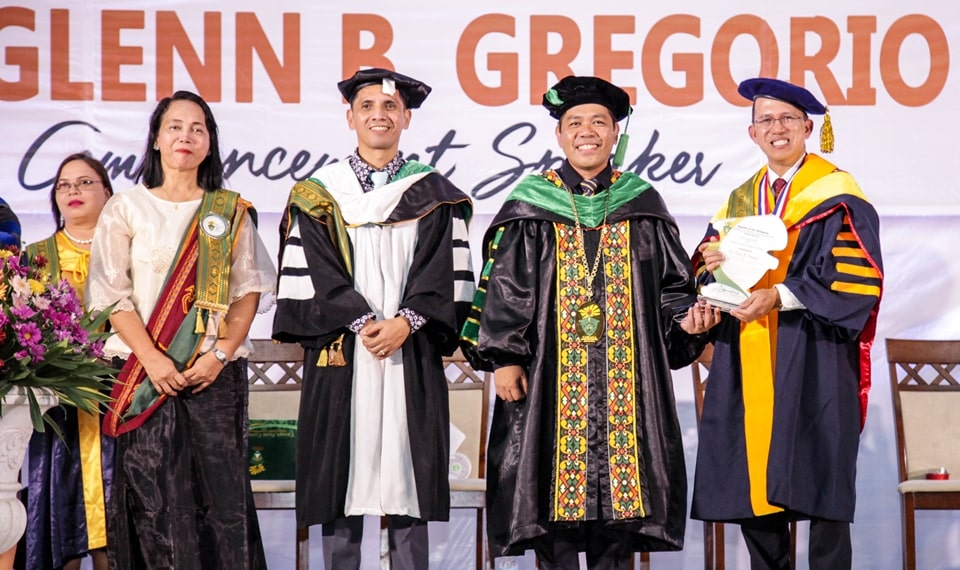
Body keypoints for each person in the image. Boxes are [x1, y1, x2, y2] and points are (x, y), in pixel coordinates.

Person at [461, 75, 719, 569]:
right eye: (574, 122)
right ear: (559, 135)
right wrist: (506, 359)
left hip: (626, 388)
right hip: (546, 382)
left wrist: (686, 324)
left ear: (615, 133)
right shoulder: (531, 205)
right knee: (551, 519)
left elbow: (672, 291)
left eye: (598, 122)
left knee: (617, 526)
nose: (587, 131)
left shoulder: (642, 205)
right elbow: (507, 288)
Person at [272, 67, 475, 570]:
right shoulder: (319, 195)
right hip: (343, 352)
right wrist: (363, 321)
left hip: (411, 349)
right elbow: (315, 272)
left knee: (409, 481)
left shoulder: (434, 195)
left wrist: (407, 321)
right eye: (367, 107)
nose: (378, 116)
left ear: (406, 117)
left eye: (389, 108)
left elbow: (442, 271)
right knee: (341, 481)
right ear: (350, 117)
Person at [690, 77, 883, 570]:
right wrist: (709, 268)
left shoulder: (838, 194)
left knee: (821, 482)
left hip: (813, 354)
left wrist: (779, 295)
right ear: (752, 133)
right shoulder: (738, 202)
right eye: (766, 121)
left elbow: (856, 280)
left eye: (787, 120)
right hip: (748, 353)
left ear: (808, 128)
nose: (777, 129)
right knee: (756, 490)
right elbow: (705, 272)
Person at [86, 90, 276, 569]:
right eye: (174, 127)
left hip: (213, 376)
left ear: (209, 143)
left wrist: (220, 354)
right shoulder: (125, 208)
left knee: (220, 498)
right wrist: (152, 358)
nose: (185, 137)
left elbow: (247, 290)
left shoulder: (227, 212)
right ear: (155, 139)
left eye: (197, 128)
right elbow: (111, 295)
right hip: (142, 374)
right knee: (153, 496)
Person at [21, 153, 114, 570]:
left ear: (108, 192)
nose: (73, 191)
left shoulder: (127, 252)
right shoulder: (34, 257)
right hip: (56, 404)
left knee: (114, 518)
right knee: (59, 516)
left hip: (119, 399)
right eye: (63, 185)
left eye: (85, 182)